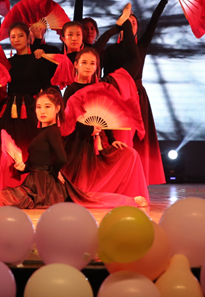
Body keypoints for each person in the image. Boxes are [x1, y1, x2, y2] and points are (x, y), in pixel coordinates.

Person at [0, 88, 137, 209]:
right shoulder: (43, 133)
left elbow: (61, 158)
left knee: (7, 197)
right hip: (37, 181)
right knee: (6, 197)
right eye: (39, 107)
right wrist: (22, 167)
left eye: (47, 107)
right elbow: (36, 163)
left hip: (44, 186)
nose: (42, 111)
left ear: (57, 109)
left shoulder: (52, 131)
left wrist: (53, 173)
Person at [102, 0, 174, 186]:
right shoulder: (110, 50)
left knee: (137, 139)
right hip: (115, 97)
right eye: (128, 21)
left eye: (134, 22)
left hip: (136, 95)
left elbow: (155, 19)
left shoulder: (141, 46)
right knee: (117, 137)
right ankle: (113, 178)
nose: (131, 24)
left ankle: (136, 180)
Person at [61, 48, 149, 205]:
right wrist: (88, 129)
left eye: (92, 63)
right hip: (77, 143)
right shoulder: (71, 89)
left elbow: (105, 112)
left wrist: (112, 139)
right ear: (76, 65)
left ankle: (127, 196)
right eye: (84, 62)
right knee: (81, 189)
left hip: (96, 141)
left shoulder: (101, 86)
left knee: (130, 154)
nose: (88, 66)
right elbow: (68, 119)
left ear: (97, 66)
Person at [0, 22, 65, 188]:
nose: (16, 39)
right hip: (9, 110)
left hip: (32, 108)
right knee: (2, 145)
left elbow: (47, 85)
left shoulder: (39, 60)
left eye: (20, 36)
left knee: (36, 146)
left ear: (28, 38)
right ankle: (7, 184)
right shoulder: (8, 63)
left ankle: (37, 183)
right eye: (13, 37)